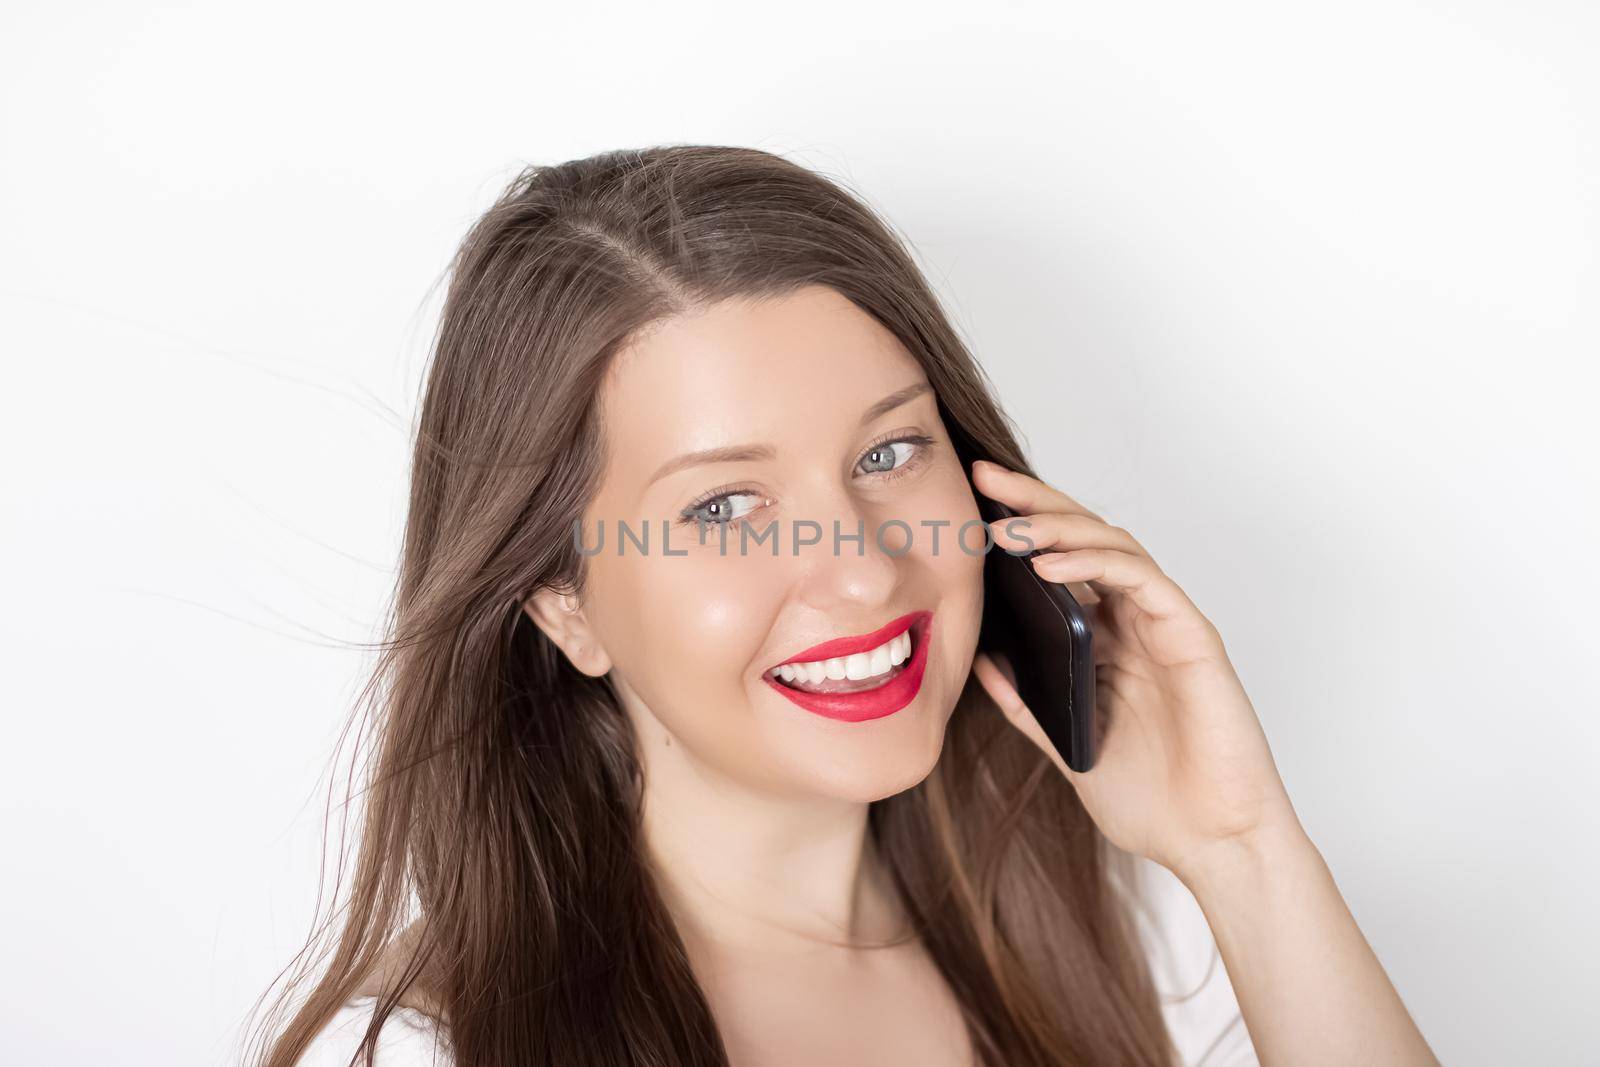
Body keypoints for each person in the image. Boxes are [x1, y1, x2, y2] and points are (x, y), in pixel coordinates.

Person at [246, 145, 1440, 1067]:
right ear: (563, 604)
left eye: (886, 455)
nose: (864, 571)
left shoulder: (1152, 927)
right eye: (723, 509)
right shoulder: (442, 1044)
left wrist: (1240, 849)